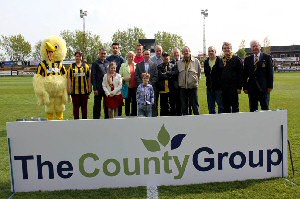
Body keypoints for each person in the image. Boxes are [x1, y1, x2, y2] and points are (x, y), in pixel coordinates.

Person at [33, 36, 68, 120]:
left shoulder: (59, 64)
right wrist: (42, 91)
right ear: (46, 53)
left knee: (60, 108)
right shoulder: (43, 64)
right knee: (49, 109)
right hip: (49, 92)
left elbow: (65, 76)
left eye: (51, 52)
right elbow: (38, 77)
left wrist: (65, 91)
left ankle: (60, 122)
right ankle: (50, 124)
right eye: (49, 52)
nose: (50, 54)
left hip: (59, 92)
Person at [243, 40, 274, 112]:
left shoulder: (267, 57)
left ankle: (266, 122)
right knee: (253, 108)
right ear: (251, 48)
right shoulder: (247, 59)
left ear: (260, 47)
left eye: (256, 46)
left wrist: (270, 86)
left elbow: (270, 73)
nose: (255, 48)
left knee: (265, 107)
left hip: (264, 88)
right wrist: (245, 87)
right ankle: (254, 123)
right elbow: (244, 75)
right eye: (253, 46)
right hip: (252, 88)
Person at [67, 51, 92, 119]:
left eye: (79, 56)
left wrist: (90, 88)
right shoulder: (71, 66)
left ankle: (85, 122)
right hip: (75, 92)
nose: (78, 57)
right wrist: (69, 89)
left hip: (84, 92)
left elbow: (89, 78)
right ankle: (76, 122)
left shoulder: (86, 66)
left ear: (82, 57)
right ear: (75, 57)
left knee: (84, 108)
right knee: (75, 108)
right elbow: (69, 78)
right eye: (77, 56)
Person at [177, 46, 201, 115]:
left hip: (193, 88)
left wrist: (195, 83)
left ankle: (198, 122)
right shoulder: (179, 63)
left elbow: (199, 74)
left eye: (187, 51)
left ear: (190, 51)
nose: (185, 53)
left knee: (195, 106)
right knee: (184, 107)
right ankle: (186, 123)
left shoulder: (196, 61)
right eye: (184, 51)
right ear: (182, 53)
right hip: (183, 89)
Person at [221, 42, 243, 113]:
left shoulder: (237, 59)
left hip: (234, 87)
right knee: (225, 106)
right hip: (224, 87)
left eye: (228, 48)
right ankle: (228, 122)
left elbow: (240, 74)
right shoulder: (221, 60)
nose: (227, 49)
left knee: (235, 106)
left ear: (231, 49)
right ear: (222, 49)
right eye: (225, 48)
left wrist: (239, 87)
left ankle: (236, 122)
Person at [135, 49, 158, 116]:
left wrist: (148, 84)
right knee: (141, 107)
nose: (146, 55)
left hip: (151, 88)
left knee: (152, 105)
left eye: (148, 54)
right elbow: (137, 76)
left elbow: (156, 76)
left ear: (150, 55)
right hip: (141, 89)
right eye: (145, 54)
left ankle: (153, 119)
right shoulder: (139, 65)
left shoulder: (154, 65)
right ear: (143, 55)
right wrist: (142, 83)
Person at [106, 42, 125, 116]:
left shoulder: (122, 59)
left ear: (119, 48)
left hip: (118, 85)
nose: (115, 49)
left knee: (118, 103)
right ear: (112, 48)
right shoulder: (108, 59)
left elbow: (123, 73)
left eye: (116, 48)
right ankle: (108, 119)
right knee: (109, 104)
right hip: (109, 84)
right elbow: (107, 71)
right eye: (113, 48)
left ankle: (118, 119)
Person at [204, 46, 224, 114]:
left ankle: (221, 122)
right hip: (209, 89)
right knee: (211, 107)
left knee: (221, 107)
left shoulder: (220, 61)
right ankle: (212, 123)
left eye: (212, 51)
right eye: (209, 51)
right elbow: (207, 75)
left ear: (215, 52)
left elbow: (222, 74)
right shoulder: (206, 62)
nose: (210, 52)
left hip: (219, 89)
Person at [157, 51, 178, 116]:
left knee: (172, 105)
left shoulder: (173, 66)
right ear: (162, 57)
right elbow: (160, 76)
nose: (166, 57)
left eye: (167, 56)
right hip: (163, 90)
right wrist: (169, 76)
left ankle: (172, 119)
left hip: (171, 89)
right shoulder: (159, 66)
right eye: (164, 56)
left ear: (169, 57)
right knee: (163, 106)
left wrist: (167, 73)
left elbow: (175, 74)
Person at [91, 48, 109, 119]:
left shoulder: (108, 62)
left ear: (106, 54)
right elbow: (93, 76)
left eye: (104, 54)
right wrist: (95, 88)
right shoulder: (95, 64)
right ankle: (96, 120)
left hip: (107, 88)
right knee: (97, 106)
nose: (103, 55)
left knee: (107, 105)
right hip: (98, 88)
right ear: (99, 54)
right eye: (102, 53)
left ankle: (107, 119)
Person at [120, 51, 137, 116]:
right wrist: (124, 78)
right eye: (129, 56)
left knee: (134, 102)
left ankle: (134, 115)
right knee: (127, 102)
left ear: (134, 57)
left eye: (132, 56)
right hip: (127, 87)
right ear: (127, 57)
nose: (131, 58)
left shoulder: (136, 65)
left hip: (134, 87)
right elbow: (119, 77)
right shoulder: (123, 65)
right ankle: (127, 115)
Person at [150, 45, 163, 116]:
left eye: (160, 51)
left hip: (163, 84)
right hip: (154, 84)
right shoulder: (151, 60)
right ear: (155, 51)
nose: (158, 52)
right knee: (154, 102)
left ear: (162, 51)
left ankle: (163, 117)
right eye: (157, 51)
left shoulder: (164, 58)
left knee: (163, 102)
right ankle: (155, 117)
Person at [170, 47, 182, 115]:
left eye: (177, 52)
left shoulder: (184, 61)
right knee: (173, 104)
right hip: (173, 88)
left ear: (179, 53)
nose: (176, 54)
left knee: (182, 104)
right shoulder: (170, 63)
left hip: (182, 87)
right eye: (174, 53)